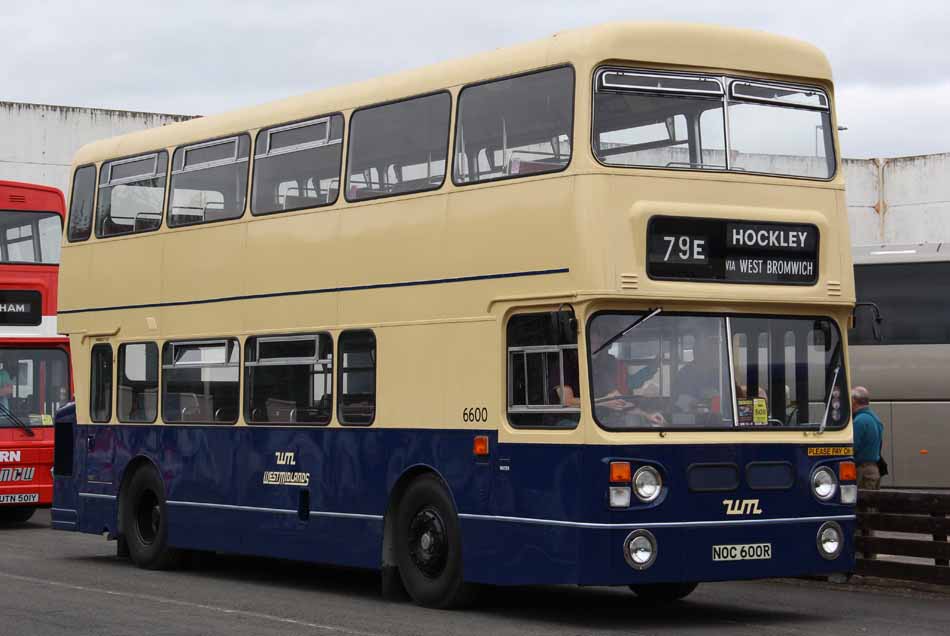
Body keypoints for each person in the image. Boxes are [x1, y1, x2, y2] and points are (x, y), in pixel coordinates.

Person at [851, 386, 884, 490]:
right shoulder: (875, 418)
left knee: (861, 504)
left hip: (863, 471)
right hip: (874, 470)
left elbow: (852, 448)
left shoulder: (859, 421)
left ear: (853, 401)